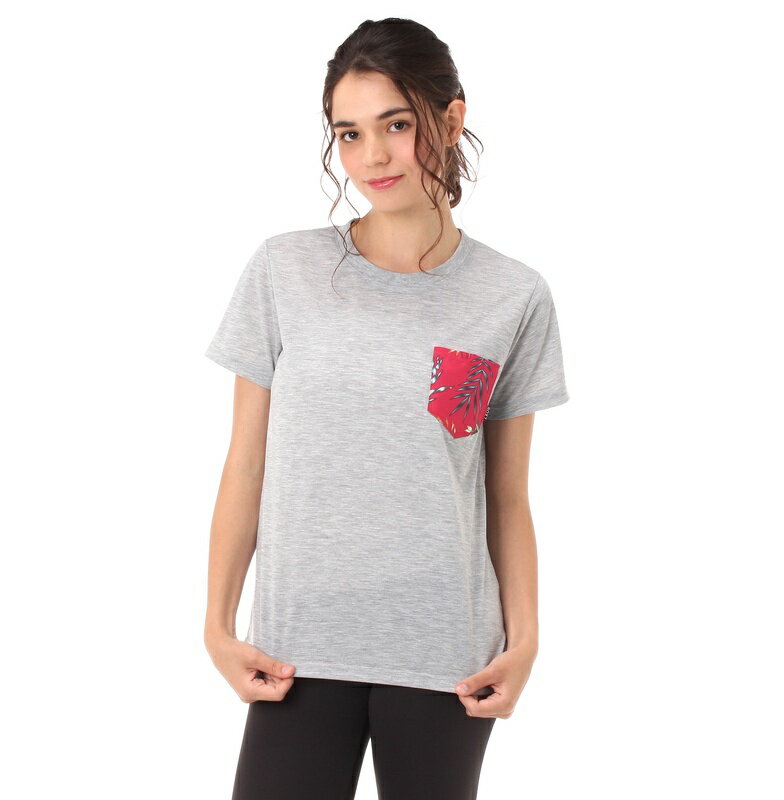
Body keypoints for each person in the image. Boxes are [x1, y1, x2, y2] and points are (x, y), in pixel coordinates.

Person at [203, 17, 570, 800]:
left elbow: (506, 494)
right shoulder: (285, 270)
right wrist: (217, 623)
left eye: (396, 125)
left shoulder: (512, 296)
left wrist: (528, 639)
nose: (372, 155)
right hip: (296, 650)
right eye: (350, 133)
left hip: (448, 658)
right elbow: (247, 462)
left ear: (451, 119)